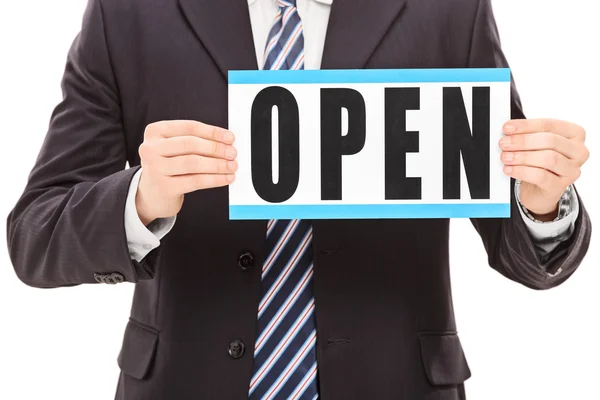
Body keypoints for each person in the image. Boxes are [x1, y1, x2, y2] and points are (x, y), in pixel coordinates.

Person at [6, 0, 591, 399]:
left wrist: (541, 205)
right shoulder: (130, 12)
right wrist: (140, 199)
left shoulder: (447, 9)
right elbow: (35, 234)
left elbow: (522, 244)